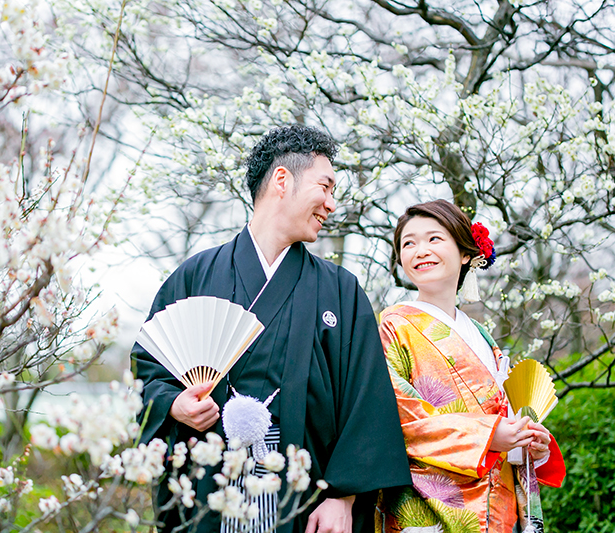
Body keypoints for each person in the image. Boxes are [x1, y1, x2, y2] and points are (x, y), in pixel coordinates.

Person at [132, 125, 411, 533]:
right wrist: (175, 405)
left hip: (307, 497)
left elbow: (366, 401)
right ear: (282, 180)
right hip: (211, 486)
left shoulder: (340, 290)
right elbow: (148, 372)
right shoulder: (195, 277)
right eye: (325, 187)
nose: (331, 204)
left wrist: (343, 496)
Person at [378, 200, 566, 533]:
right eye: (408, 243)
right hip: (429, 505)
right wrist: (489, 435)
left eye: (434, 239)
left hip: (500, 507)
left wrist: (526, 441)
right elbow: (399, 418)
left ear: (466, 253)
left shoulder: (480, 334)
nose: (420, 251)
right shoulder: (393, 325)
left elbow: (501, 411)